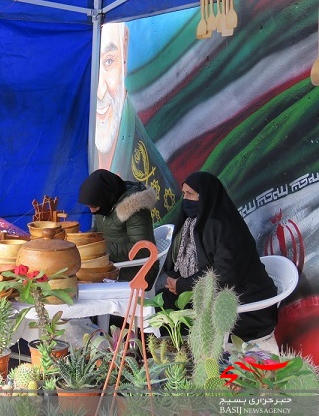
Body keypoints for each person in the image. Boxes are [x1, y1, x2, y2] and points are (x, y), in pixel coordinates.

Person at [158, 171, 278, 347]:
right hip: (212, 292)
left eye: (190, 194)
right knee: (165, 303)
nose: (185, 199)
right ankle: (175, 359)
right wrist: (174, 282)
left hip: (245, 303)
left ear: (206, 195)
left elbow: (225, 274)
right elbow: (174, 261)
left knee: (182, 314)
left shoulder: (226, 227)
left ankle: (195, 362)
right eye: (184, 194)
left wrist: (183, 285)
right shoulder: (192, 225)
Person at [94, 22, 178, 223]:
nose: (99, 91)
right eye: (92, 67)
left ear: (124, 55)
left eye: (108, 62)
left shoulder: (151, 177)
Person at [78, 169, 158, 288]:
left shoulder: (135, 210)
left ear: (106, 196)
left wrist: (99, 248)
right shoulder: (106, 203)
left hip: (137, 270)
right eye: (89, 207)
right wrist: (84, 239)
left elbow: (142, 250)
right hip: (113, 264)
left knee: (83, 282)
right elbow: (99, 230)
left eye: (93, 206)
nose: (92, 210)